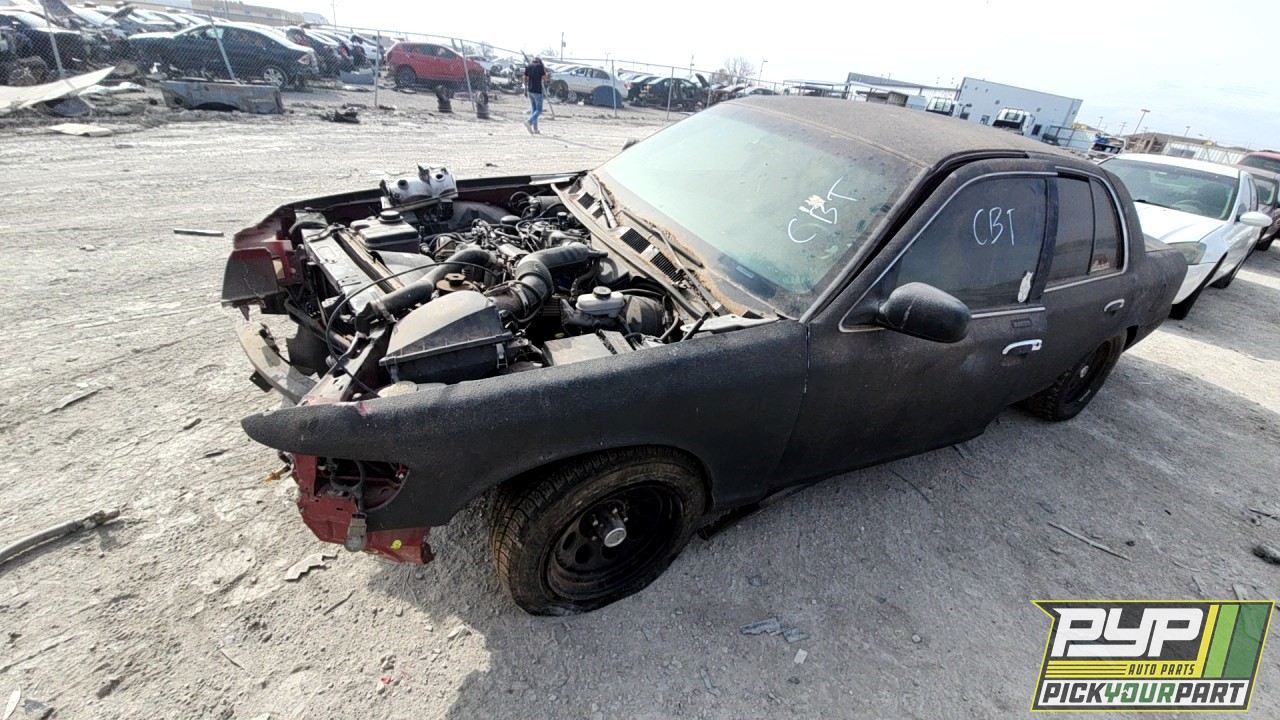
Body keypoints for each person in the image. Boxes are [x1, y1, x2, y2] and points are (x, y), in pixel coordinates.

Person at [523, 57, 549, 134]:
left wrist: (525, 89)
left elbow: (525, 78)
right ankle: (529, 122)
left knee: (534, 110)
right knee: (539, 110)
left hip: (530, 90)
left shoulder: (528, 66)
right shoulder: (540, 67)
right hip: (537, 90)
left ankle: (535, 129)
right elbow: (545, 78)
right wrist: (547, 76)